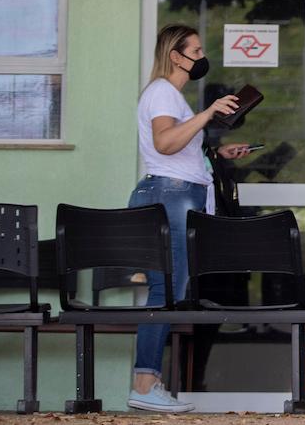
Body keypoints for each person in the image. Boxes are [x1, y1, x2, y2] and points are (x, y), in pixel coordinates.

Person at [128, 24, 251, 413]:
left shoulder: (169, 95)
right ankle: (145, 383)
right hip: (172, 196)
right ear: (175, 56)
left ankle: (147, 382)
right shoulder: (163, 91)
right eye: (195, 51)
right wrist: (209, 113)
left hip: (173, 193)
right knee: (165, 292)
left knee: (167, 291)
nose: (202, 57)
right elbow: (165, 143)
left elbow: (177, 147)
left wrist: (217, 153)